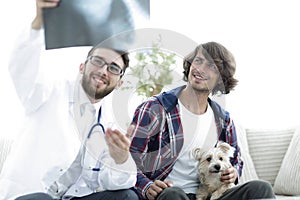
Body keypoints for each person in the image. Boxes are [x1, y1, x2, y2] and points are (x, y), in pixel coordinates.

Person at [0, 0, 138, 199]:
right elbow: (22, 66)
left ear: (119, 82)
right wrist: (39, 22)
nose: (102, 71)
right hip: (32, 194)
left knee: (128, 196)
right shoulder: (48, 92)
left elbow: (113, 182)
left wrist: (121, 159)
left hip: (71, 197)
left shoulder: (111, 125)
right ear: (82, 67)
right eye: (98, 61)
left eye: (113, 68)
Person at [129, 42, 276, 200]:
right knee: (174, 194)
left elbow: (235, 160)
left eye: (211, 66)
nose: (200, 69)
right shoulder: (155, 109)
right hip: (170, 194)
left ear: (221, 78)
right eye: (198, 61)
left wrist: (233, 172)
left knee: (261, 188)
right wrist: (147, 186)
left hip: (211, 195)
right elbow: (128, 158)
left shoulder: (223, 120)